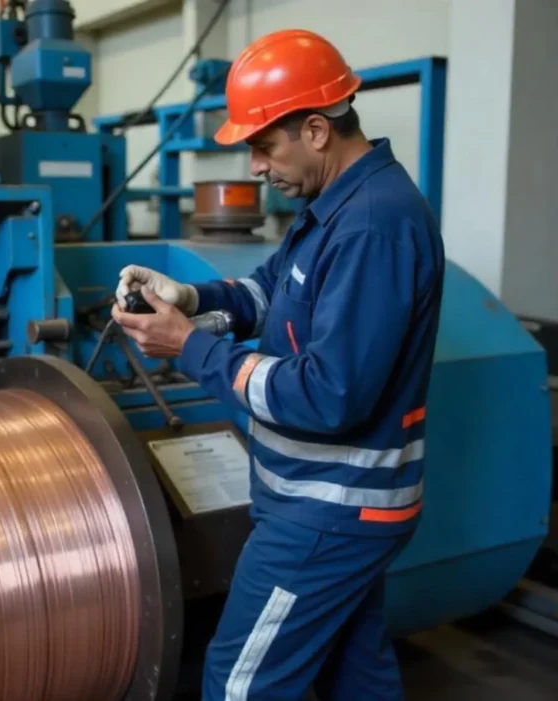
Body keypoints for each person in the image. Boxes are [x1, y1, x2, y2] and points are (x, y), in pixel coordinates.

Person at [111, 29, 444, 701]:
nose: (256, 166)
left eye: (264, 145)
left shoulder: (372, 226)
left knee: (240, 682)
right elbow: (270, 289)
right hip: (332, 507)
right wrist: (193, 297)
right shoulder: (332, 206)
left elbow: (328, 395)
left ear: (316, 129)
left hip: (326, 516)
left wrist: (191, 346)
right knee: (356, 668)